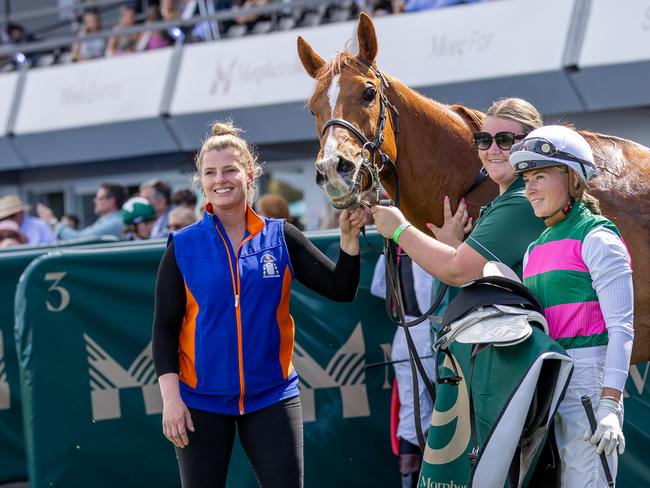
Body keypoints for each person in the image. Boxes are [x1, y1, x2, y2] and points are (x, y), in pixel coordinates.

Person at [152, 121, 362, 488]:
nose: (221, 179)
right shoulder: (182, 246)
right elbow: (164, 327)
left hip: (272, 396)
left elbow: (341, 288)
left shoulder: (280, 236)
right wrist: (171, 400)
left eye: (230, 170)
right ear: (201, 180)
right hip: (200, 400)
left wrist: (348, 239)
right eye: (210, 172)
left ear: (249, 174)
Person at [510, 125, 633, 486]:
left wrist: (609, 404)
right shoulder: (534, 248)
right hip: (546, 385)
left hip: (588, 387)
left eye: (540, 176)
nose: (528, 188)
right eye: (526, 178)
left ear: (573, 178)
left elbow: (622, 328)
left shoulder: (597, 237)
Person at [366, 97, 546, 284]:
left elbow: (458, 272)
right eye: (484, 140)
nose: (492, 150)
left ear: (530, 143)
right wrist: (453, 244)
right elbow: (482, 275)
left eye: (504, 140)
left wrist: (399, 229)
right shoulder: (507, 201)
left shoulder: (522, 202)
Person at [371, 252, 434, 487]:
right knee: (444, 412)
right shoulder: (418, 244)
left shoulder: (394, 244)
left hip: (407, 335)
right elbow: (429, 298)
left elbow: (378, 287)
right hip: (428, 336)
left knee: (414, 413)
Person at [37, 183, 127, 240]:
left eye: (99, 198)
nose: (94, 201)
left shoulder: (115, 222)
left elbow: (78, 238)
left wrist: (52, 221)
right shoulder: (109, 220)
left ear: (112, 201)